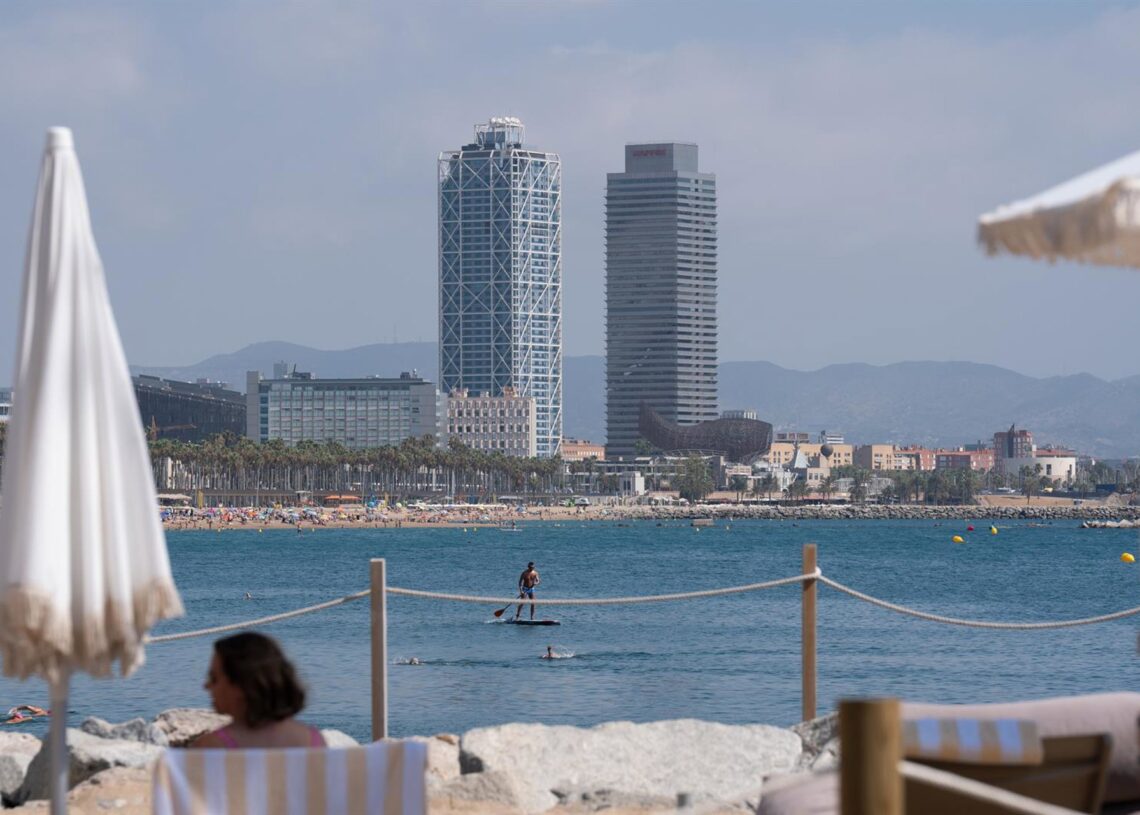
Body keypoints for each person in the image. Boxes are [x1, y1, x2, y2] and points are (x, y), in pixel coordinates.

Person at [191, 632, 325, 749]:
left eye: (214, 678)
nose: (206, 686)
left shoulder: (212, 746)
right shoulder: (314, 741)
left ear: (240, 684)